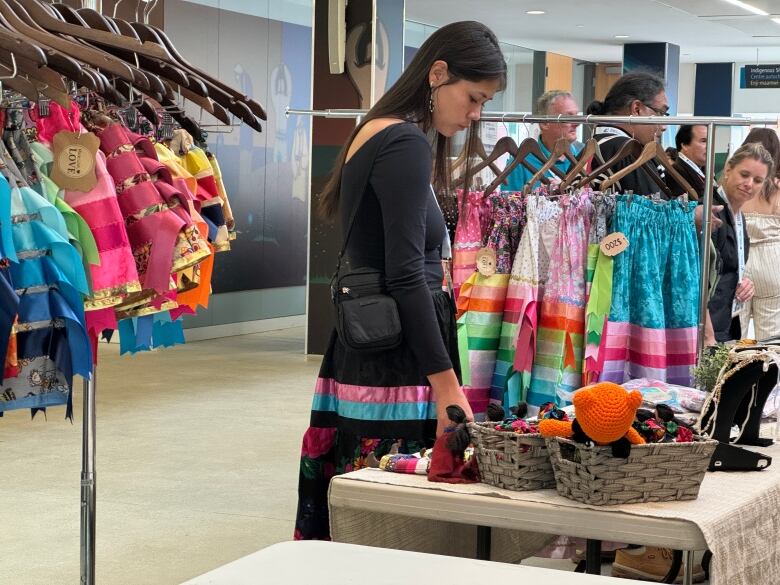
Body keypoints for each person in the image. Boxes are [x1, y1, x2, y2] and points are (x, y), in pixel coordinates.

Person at [295, 21, 506, 541]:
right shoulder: (405, 142)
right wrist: (448, 388)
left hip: (369, 342)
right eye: (473, 97)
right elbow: (407, 274)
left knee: (359, 505)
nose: (476, 113)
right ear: (438, 74)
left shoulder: (380, 131)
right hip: (394, 357)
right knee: (389, 522)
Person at [709, 143, 771, 342]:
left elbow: (730, 266)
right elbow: (695, 280)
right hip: (705, 329)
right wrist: (708, 337)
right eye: (744, 175)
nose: (749, 184)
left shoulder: (738, 216)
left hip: (726, 321)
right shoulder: (711, 212)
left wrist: (744, 282)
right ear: (728, 170)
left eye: (758, 180)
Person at [585, 71, 670, 196]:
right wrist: (690, 214)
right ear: (637, 109)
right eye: (660, 113)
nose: (664, 127)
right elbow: (652, 213)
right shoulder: (628, 152)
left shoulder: (594, 145)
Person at [740, 128, 780, 341]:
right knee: (772, 339)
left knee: (736, 335)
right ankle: (770, 375)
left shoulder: (737, 185)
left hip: (740, 260)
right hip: (774, 263)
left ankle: (734, 374)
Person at [502, 90, 581, 191]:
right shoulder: (519, 165)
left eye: (577, 116)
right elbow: (507, 205)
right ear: (544, 123)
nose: (577, 123)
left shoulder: (584, 158)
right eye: (568, 117)